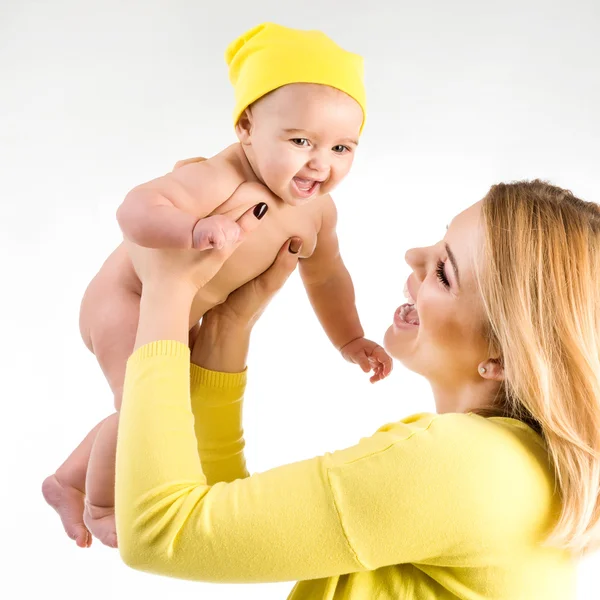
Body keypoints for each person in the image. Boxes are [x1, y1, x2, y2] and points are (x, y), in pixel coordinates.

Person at [114, 180, 600, 599]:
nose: (413, 256)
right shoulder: (514, 467)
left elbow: (159, 530)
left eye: (443, 272)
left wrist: (169, 288)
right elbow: (227, 517)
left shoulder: (461, 466)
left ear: (504, 358)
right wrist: (230, 324)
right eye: (437, 242)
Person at [42, 22, 392, 549]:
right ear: (247, 127)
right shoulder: (220, 176)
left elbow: (327, 275)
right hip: (126, 301)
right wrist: (193, 228)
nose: (321, 162)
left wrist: (349, 338)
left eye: (343, 147)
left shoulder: (317, 212)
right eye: (301, 141)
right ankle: (101, 504)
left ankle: (66, 481)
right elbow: (134, 208)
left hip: (172, 316)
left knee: (158, 401)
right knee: (145, 411)